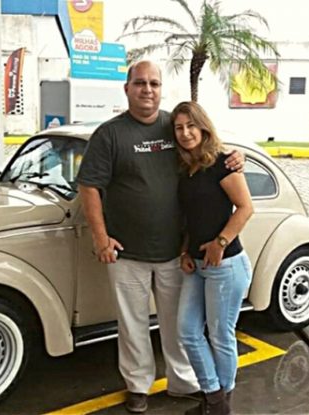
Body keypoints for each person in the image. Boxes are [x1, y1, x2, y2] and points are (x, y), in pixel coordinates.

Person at [76, 61, 243, 414]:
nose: (147, 89)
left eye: (154, 83)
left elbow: (208, 148)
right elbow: (89, 187)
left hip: (175, 253)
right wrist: (101, 238)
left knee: (179, 326)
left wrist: (235, 156)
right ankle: (138, 386)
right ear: (127, 88)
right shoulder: (109, 134)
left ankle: (183, 381)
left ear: (161, 89)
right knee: (133, 325)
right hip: (127, 253)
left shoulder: (173, 125)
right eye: (140, 83)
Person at [172, 101, 254, 415]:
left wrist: (221, 242)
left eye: (191, 126)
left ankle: (218, 405)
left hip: (226, 265)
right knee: (188, 332)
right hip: (195, 264)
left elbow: (245, 207)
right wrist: (185, 250)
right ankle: (215, 400)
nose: (185, 133)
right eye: (179, 128)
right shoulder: (185, 168)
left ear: (203, 127)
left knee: (220, 336)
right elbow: (191, 218)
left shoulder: (222, 163)